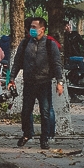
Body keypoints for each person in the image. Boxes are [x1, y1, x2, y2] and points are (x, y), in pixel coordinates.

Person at [8, 16, 64, 149]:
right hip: (28, 83)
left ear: (42, 29)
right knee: (26, 111)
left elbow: (57, 64)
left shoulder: (50, 44)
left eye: (34, 27)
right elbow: (17, 62)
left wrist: (59, 82)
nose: (31, 29)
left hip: (44, 83)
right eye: (31, 27)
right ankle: (27, 133)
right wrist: (11, 79)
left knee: (45, 112)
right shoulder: (25, 43)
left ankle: (45, 138)